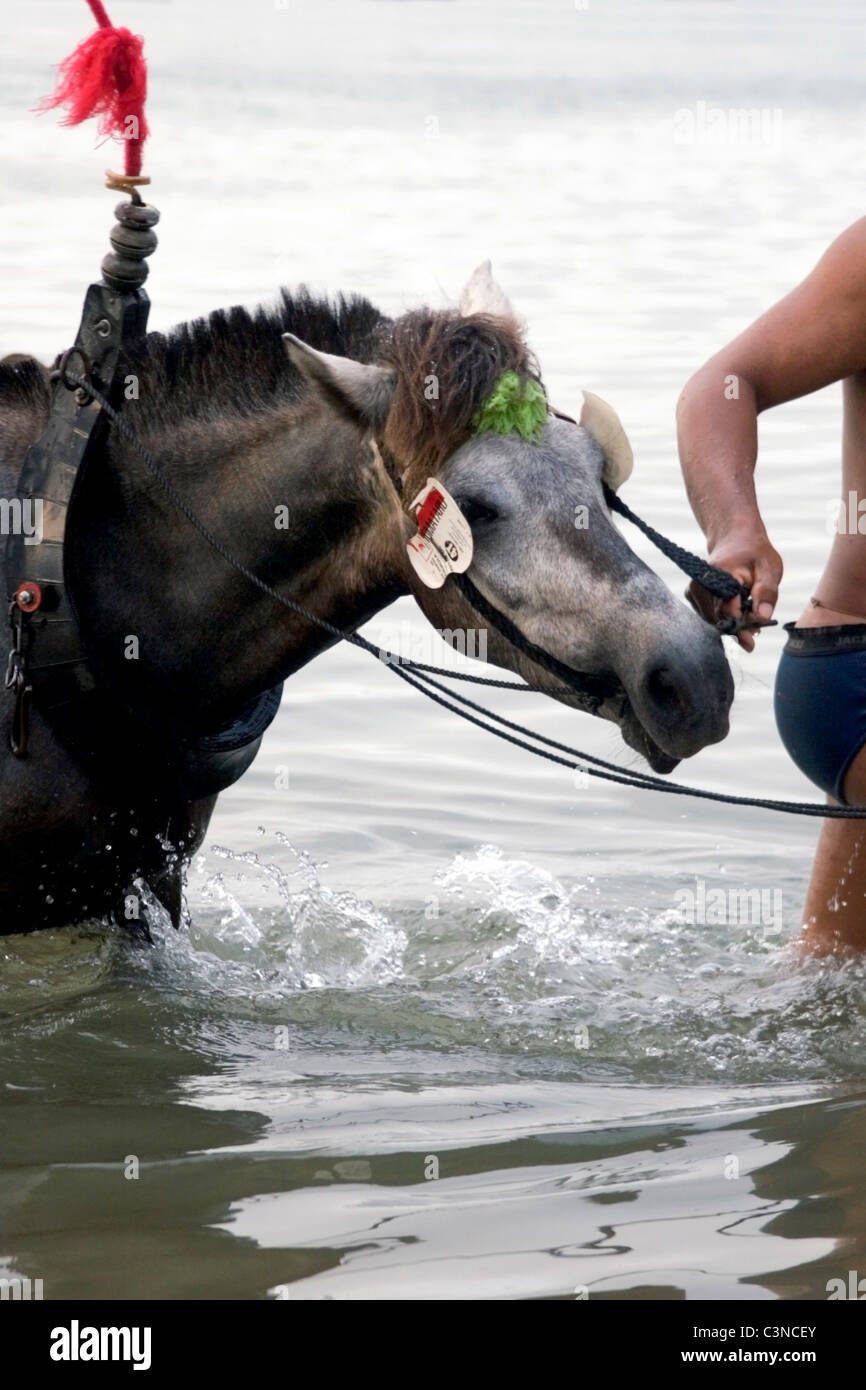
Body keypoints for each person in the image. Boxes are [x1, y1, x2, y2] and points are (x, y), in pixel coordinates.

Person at [677, 219, 866, 953]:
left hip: (838, 682)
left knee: (830, 977)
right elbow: (722, 387)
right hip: (850, 667)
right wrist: (736, 531)